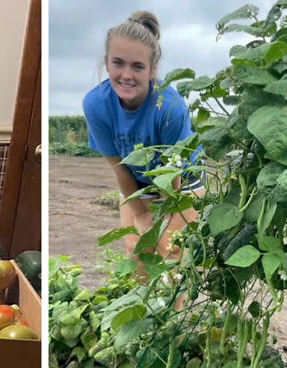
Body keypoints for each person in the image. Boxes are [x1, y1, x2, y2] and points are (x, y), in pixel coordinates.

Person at [83, 11, 204, 262]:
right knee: (137, 250)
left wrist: (164, 217)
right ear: (107, 63)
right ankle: (142, 299)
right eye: (118, 63)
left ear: (151, 70)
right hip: (135, 178)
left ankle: (174, 302)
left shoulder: (169, 107)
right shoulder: (95, 104)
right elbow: (119, 167)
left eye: (137, 66)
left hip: (181, 177)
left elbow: (173, 172)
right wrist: (140, 215)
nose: (127, 75)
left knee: (171, 250)